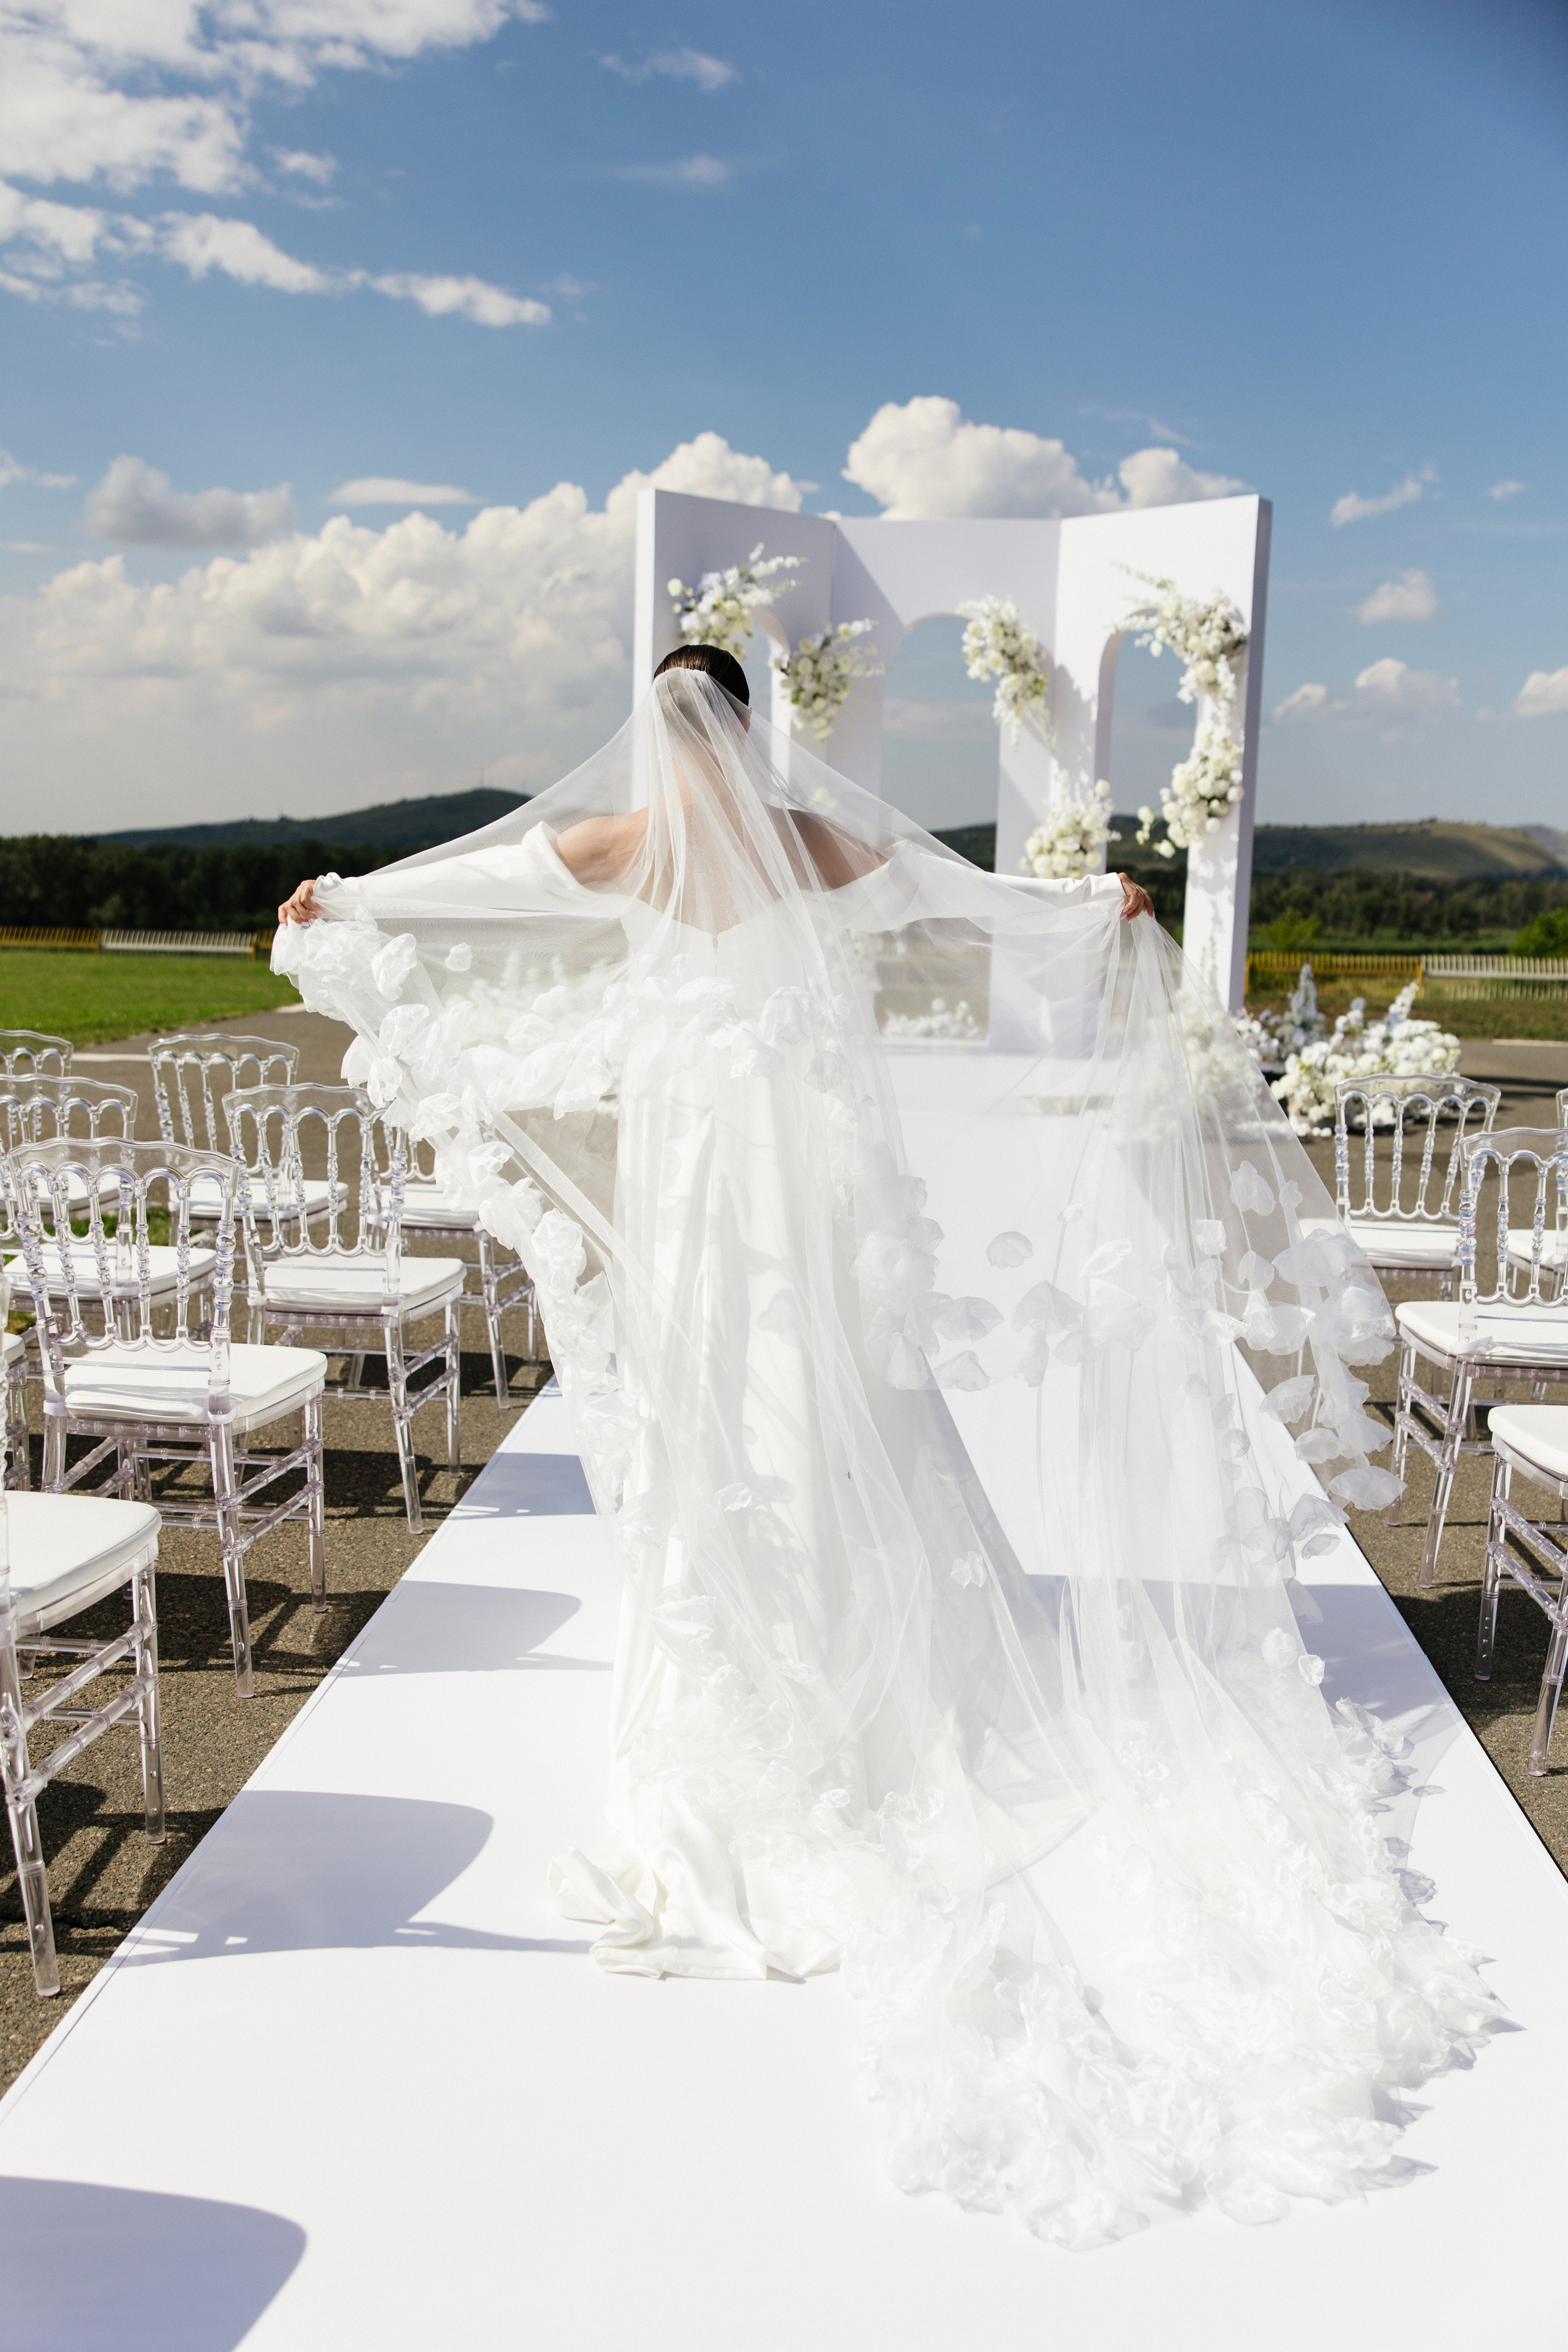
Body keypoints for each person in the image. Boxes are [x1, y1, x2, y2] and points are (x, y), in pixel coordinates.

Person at [277, 642, 1494, 2249]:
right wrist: (1094, 910)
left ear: (659, 723)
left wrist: (337, 906)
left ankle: (770, 1667)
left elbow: (470, 897)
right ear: (754, 720)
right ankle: (871, 1667)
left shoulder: (621, 843)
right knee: (833, 1396)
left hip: (713, 1162)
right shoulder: (810, 838)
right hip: (798, 1153)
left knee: (745, 1398)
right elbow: (954, 893)